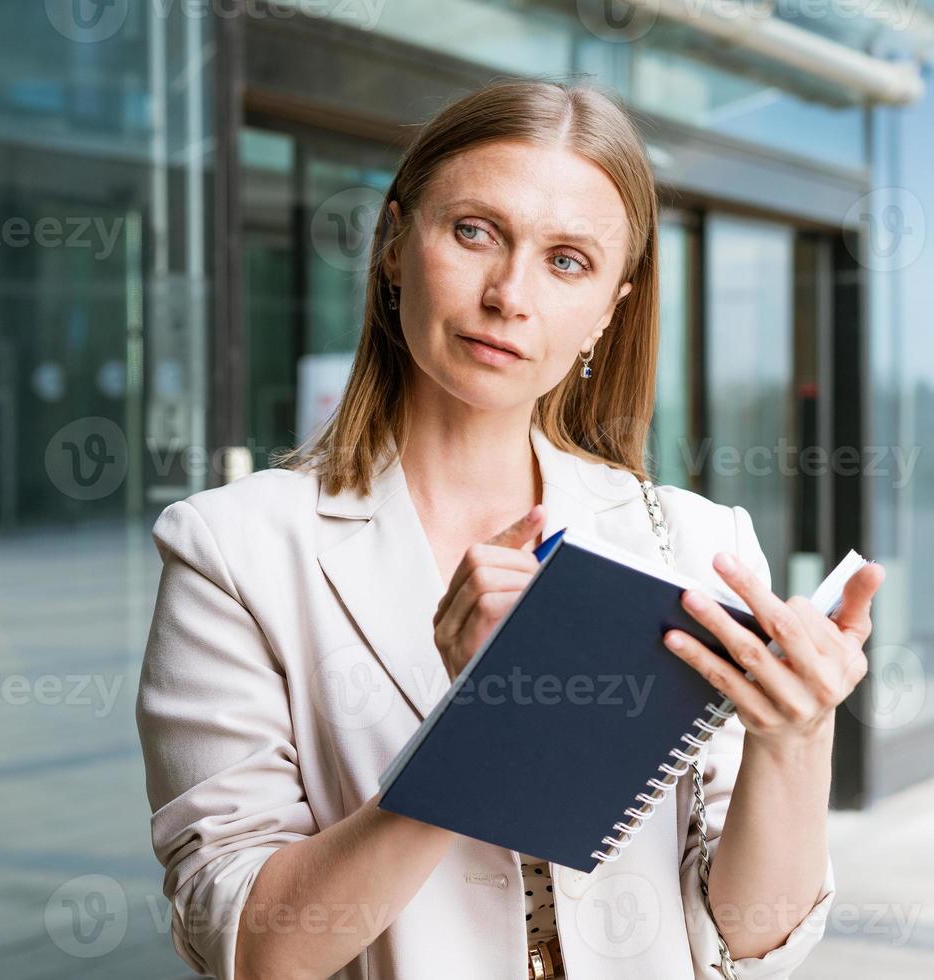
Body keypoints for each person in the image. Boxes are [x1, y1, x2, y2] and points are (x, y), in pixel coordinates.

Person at [136, 79, 884, 980]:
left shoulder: (694, 544)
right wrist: (486, 731)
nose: (509, 295)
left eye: (568, 260)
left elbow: (750, 941)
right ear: (393, 247)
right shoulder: (233, 550)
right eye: (475, 232)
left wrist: (796, 738)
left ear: (610, 307)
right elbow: (253, 946)